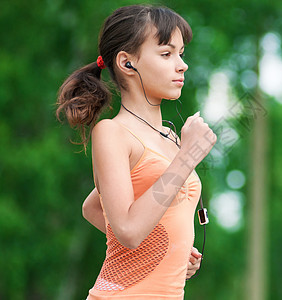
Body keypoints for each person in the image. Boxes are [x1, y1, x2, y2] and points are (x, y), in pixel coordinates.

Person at [56, 4, 216, 299]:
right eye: (167, 54)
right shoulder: (112, 133)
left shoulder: (169, 137)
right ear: (127, 63)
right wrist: (188, 157)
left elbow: (94, 207)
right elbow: (128, 230)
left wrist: (167, 248)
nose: (182, 65)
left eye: (181, 54)